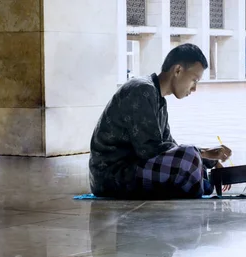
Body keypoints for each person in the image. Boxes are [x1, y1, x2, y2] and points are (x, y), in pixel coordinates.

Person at [89, 43, 232, 199]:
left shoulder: (159, 100)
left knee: (192, 159)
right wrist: (203, 154)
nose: (194, 89)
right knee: (189, 157)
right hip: (112, 176)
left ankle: (199, 181)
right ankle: (199, 182)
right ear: (177, 70)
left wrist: (206, 160)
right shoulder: (142, 90)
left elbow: (169, 146)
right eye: (194, 80)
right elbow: (149, 150)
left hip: (132, 169)